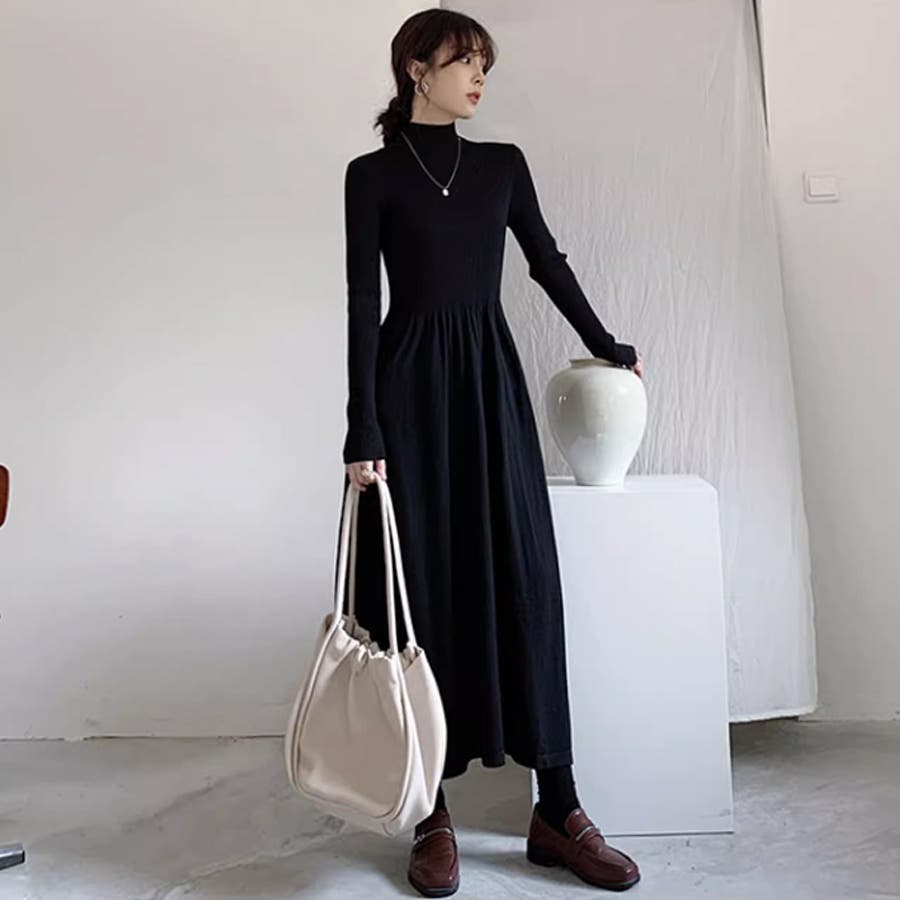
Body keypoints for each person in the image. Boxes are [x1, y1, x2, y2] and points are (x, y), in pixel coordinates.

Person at [337, 8, 643, 895]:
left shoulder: (501, 165)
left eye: (484, 65)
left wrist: (605, 341)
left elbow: (546, 261)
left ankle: (559, 807)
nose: (479, 78)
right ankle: (429, 810)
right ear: (415, 67)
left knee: (524, 579)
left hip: (488, 387)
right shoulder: (370, 176)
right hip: (407, 395)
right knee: (418, 589)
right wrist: (363, 426)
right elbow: (362, 303)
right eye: (465, 61)